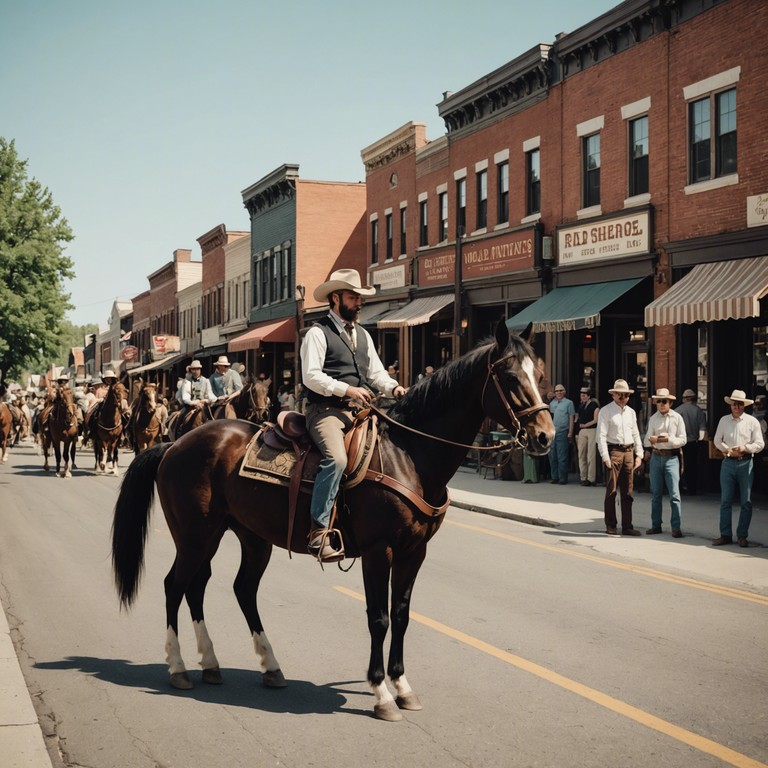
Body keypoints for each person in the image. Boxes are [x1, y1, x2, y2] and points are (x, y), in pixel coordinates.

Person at [301, 268, 406, 562]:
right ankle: (318, 531)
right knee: (336, 459)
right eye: (353, 297)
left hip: (360, 410)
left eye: (360, 297)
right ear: (335, 299)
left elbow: (376, 374)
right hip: (326, 411)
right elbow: (310, 376)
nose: (359, 302)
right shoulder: (316, 333)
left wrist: (394, 388)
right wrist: (346, 390)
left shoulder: (362, 334)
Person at [712, 389, 765, 547]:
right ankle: (725, 535)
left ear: (744, 406)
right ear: (731, 405)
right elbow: (716, 439)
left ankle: (742, 535)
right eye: (734, 404)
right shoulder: (724, 421)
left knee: (746, 502)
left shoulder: (752, 421)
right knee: (725, 500)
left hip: (745, 462)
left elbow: (760, 443)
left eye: (739, 404)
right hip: (728, 462)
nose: (736, 407)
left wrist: (745, 448)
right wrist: (725, 449)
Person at [597, 379, 644, 536]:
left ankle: (627, 526)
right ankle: (611, 524)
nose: (624, 397)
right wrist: (605, 456)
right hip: (614, 451)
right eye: (621, 395)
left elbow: (636, 433)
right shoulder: (606, 411)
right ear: (614, 395)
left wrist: (640, 454)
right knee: (611, 491)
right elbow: (601, 436)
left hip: (629, 451)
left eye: (626, 395)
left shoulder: (631, 412)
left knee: (628, 491)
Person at [643, 388, 687, 537]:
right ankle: (656, 525)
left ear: (670, 403)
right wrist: (652, 441)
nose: (661, 404)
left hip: (671, 458)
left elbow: (683, 439)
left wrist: (667, 439)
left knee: (674, 495)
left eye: (664, 401)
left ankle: (676, 527)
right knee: (656, 494)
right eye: (659, 401)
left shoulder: (677, 418)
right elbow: (647, 438)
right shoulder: (653, 418)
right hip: (656, 456)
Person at [675, 388, 707, 495]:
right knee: (692, 466)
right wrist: (700, 440)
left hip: (680, 442)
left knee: (679, 465)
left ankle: (680, 487)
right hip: (693, 442)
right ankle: (692, 488)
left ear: (684, 399)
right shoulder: (699, 411)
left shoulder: (677, 411)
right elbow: (702, 429)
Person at [548, 384, 575, 485]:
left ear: (564, 392)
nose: (558, 392)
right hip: (552, 432)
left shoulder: (569, 403)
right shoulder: (552, 403)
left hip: (563, 432)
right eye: (557, 391)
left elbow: (571, 418)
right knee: (552, 455)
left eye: (560, 391)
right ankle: (555, 477)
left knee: (562, 456)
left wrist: (570, 432)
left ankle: (563, 478)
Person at [576, 387, 599, 486]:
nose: (583, 396)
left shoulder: (594, 405)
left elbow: (596, 420)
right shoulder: (581, 406)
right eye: (582, 395)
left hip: (592, 430)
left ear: (589, 395)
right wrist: (577, 432)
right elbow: (577, 419)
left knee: (591, 455)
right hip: (582, 431)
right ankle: (583, 477)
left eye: (585, 395)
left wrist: (585, 425)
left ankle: (591, 478)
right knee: (581, 454)